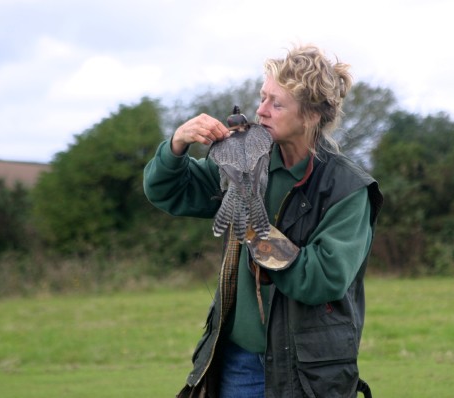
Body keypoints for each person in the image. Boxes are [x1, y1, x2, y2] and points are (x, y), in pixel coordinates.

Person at [143, 44, 383, 398]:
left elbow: (324, 277)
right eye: (262, 97)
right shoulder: (245, 159)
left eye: (277, 103)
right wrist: (178, 144)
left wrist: (253, 229)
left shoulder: (347, 187)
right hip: (238, 362)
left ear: (311, 115)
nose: (261, 110)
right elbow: (169, 192)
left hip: (308, 373)